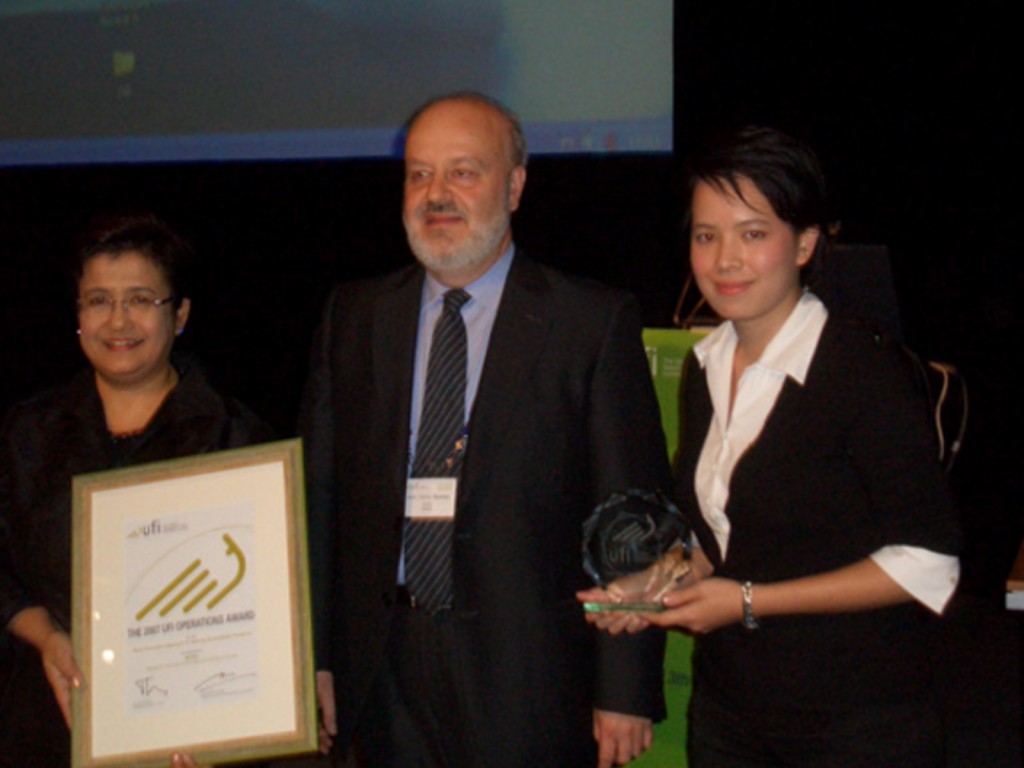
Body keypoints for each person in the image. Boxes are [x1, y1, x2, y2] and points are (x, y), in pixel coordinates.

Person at [299, 92, 672, 768]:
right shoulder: (353, 316)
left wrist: (626, 684)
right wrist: (316, 658)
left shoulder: (589, 322)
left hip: (529, 675)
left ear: (516, 185)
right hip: (381, 671)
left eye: (463, 172)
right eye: (419, 173)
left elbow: (633, 511)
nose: (436, 194)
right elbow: (319, 501)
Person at [579, 127, 962, 766]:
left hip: (857, 722)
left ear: (806, 243)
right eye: (707, 235)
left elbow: (929, 562)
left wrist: (749, 601)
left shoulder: (861, 372)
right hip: (731, 713)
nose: (724, 259)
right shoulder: (704, 368)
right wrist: (651, 588)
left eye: (753, 233)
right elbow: (718, 539)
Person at [0, 214, 272, 767]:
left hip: (189, 734)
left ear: (181, 314)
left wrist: (225, 722)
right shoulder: (28, 432)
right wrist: (46, 635)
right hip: (49, 727)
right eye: (97, 300)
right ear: (77, 315)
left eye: (141, 299)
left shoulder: (236, 436)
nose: (117, 321)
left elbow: (263, 604)